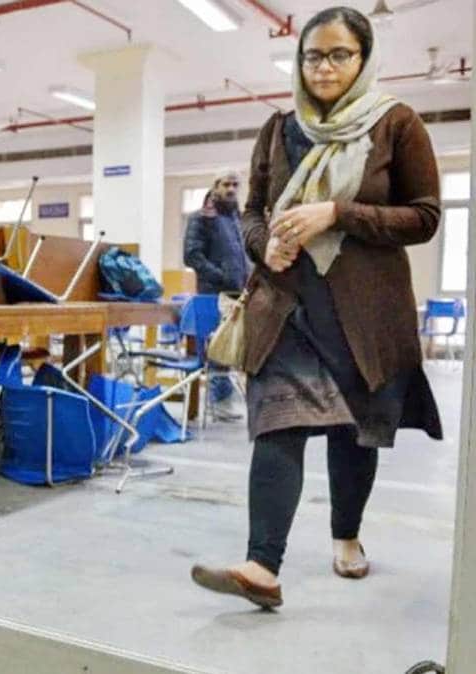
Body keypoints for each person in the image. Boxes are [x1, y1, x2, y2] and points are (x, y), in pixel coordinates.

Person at [190, 6, 442, 609]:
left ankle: (346, 534)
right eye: (312, 56)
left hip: (364, 315)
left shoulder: (396, 124)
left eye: (338, 55)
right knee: (278, 424)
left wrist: (337, 214)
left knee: (355, 432)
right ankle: (262, 566)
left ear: (364, 58)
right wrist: (262, 244)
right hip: (288, 307)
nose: (323, 67)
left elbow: (426, 216)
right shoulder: (279, 128)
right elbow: (253, 210)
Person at [183, 172, 251, 418]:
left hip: (240, 293)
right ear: (215, 187)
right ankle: (220, 402)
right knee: (219, 347)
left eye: (235, 184)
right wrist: (222, 276)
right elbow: (192, 255)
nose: (231, 189)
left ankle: (228, 399)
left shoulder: (237, 218)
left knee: (236, 347)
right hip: (214, 294)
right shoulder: (201, 218)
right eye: (226, 184)